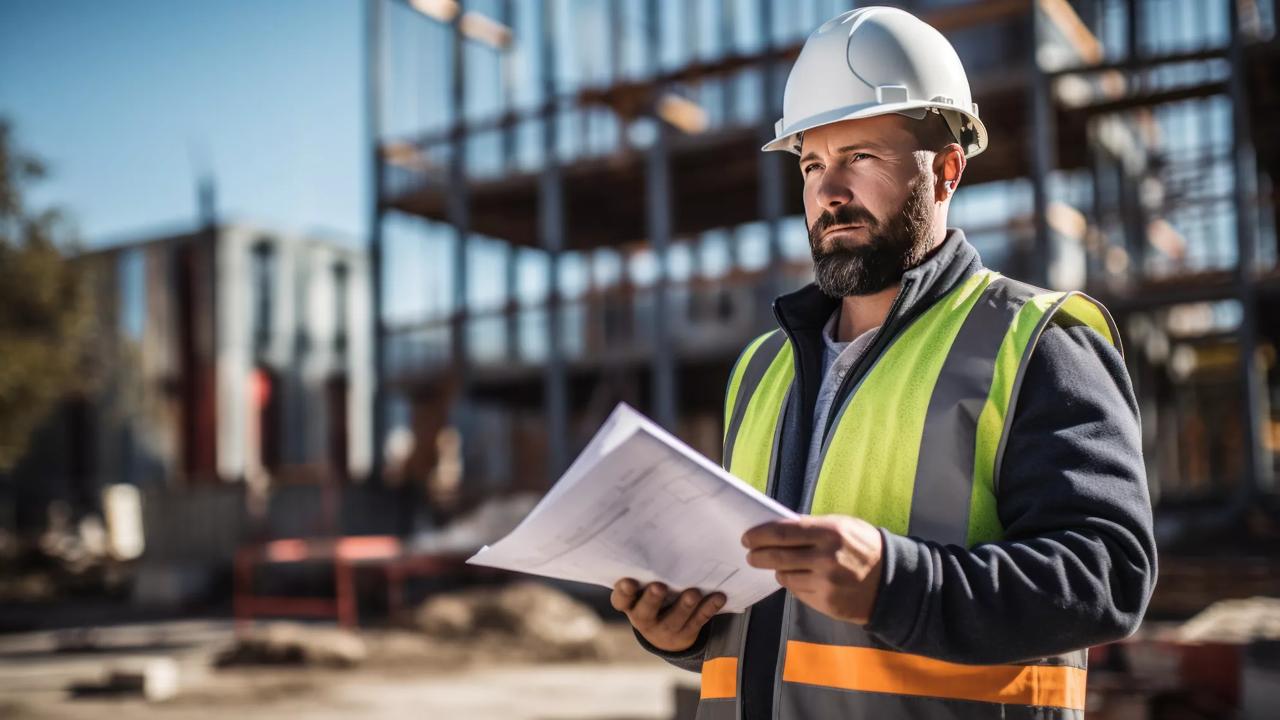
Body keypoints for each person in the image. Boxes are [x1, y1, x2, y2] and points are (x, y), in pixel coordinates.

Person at [610, 6, 1155, 719]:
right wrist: (684, 630)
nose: (829, 192)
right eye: (812, 164)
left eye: (860, 157)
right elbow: (767, 612)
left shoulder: (1037, 342)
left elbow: (1106, 577)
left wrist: (897, 584)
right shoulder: (760, 369)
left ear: (946, 172)